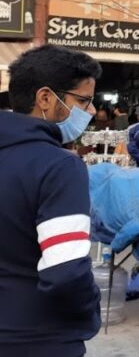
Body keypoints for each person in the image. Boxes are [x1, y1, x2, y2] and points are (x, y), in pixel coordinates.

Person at [0, 45, 101, 357]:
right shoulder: (58, 166)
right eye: (83, 100)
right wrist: (88, 314)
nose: (92, 111)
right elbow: (66, 272)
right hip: (38, 338)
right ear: (45, 98)